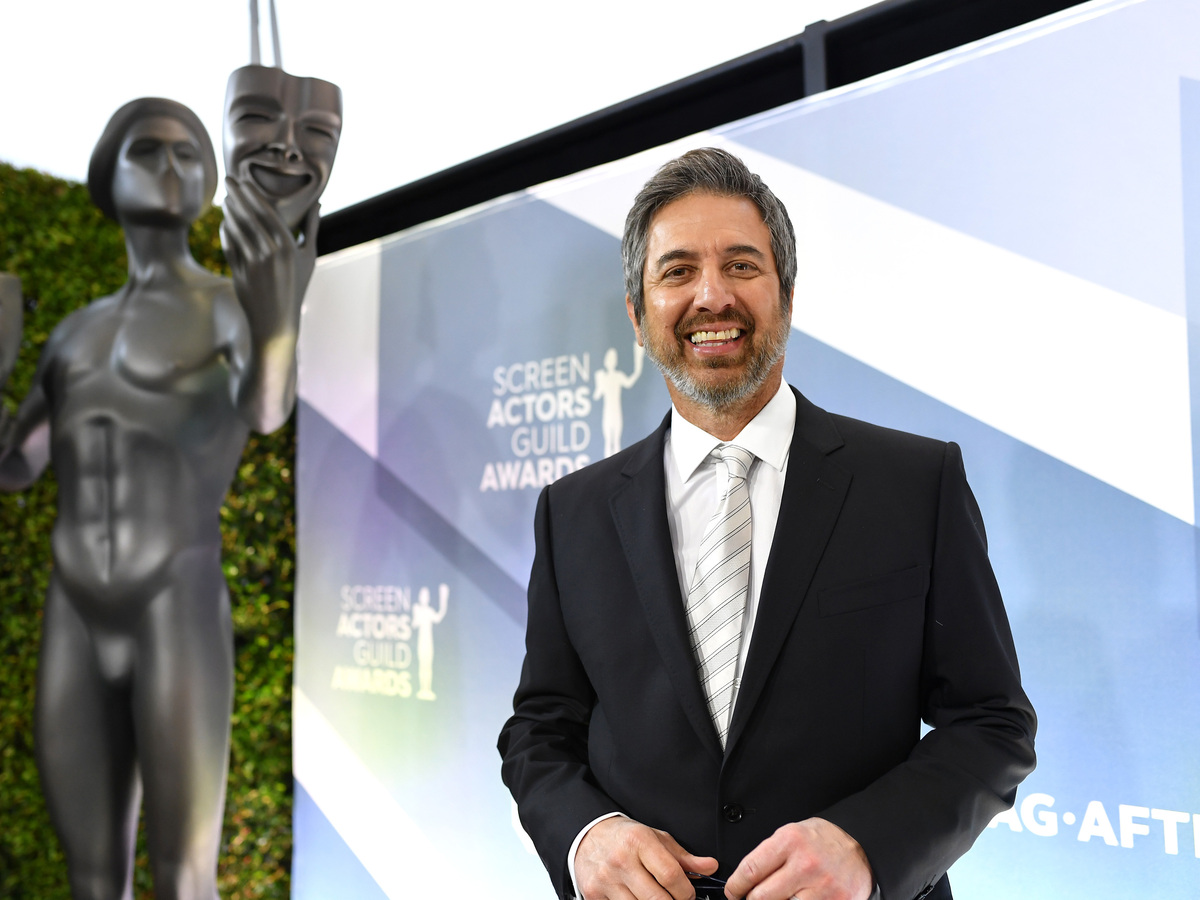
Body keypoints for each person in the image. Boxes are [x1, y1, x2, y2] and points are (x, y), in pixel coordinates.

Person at [498, 148, 1036, 900]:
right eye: (677, 271)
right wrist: (586, 837)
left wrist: (868, 847)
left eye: (741, 266)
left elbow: (991, 722)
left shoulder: (915, 483)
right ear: (637, 315)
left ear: (785, 296)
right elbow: (540, 729)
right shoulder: (572, 512)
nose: (711, 296)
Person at [0, 97, 314, 900]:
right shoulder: (74, 333)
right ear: (108, 175)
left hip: (173, 599)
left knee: (184, 877)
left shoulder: (226, 307)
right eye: (148, 149)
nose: (171, 166)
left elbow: (267, 408)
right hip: (74, 606)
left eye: (187, 153)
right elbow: (17, 466)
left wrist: (277, 321)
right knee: (90, 877)